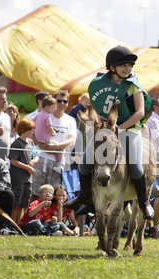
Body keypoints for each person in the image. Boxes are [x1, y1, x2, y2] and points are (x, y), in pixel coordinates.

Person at [65, 46, 154, 220]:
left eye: (130, 66)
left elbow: (140, 112)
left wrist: (119, 129)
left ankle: (144, 202)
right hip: (105, 130)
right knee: (84, 165)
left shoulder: (133, 86)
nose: (128, 69)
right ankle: (86, 198)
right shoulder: (100, 83)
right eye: (124, 65)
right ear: (112, 68)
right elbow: (98, 108)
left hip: (129, 129)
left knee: (136, 168)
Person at [31, 90, 77, 202]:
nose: (62, 103)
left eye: (65, 101)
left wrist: (55, 148)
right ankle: (31, 218)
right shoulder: (41, 115)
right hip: (41, 159)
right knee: (35, 193)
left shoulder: (70, 120)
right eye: (59, 100)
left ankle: (51, 219)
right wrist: (40, 145)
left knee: (54, 196)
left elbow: (72, 140)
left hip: (58, 163)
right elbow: (31, 132)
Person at [9, 118, 38, 224]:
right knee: (16, 202)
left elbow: (36, 155)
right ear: (23, 130)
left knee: (24, 201)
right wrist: (27, 167)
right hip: (18, 177)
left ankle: (19, 224)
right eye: (30, 130)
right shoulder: (17, 143)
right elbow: (13, 161)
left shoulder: (31, 142)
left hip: (28, 178)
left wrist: (33, 162)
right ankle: (13, 224)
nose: (32, 132)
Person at [33, 96, 62, 174]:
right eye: (54, 107)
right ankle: (58, 166)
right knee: (59, 149)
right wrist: (54, 133)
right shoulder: (48, 117)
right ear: (47, 107)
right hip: (45, 141)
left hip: (38, 139)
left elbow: (32, 122)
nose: (55, 109)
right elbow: (50, 128)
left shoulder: (38, 114)